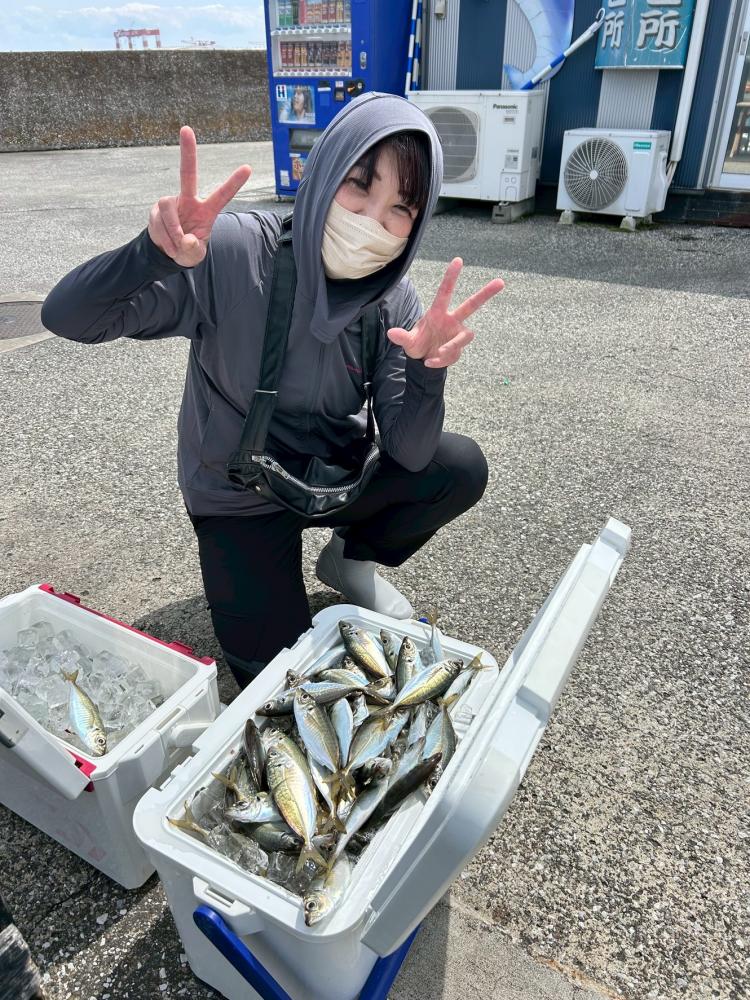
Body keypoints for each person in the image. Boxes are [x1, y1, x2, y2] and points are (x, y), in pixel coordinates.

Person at [41, 93, 504, 689]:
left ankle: (351, 562)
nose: (371, 219)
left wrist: (427, 371)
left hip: (331, 477)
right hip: (239, 498)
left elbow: (411, 454)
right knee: (280, 681)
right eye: (359, 185)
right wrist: (148, 256)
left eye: (401, 207)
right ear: (325, 171)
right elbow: (69, 317)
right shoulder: (233, 252)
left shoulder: (395, 302)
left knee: (457, 466)